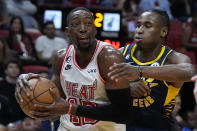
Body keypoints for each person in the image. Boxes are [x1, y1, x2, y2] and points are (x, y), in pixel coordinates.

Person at [15, 7, 138, 131]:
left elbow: (124, 114)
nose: (83, 29)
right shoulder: (60, 57)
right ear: (67, 32)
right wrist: (27, 84)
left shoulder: (109, 57)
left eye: (88, 24)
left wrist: (71, 109)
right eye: (76, 24)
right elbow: (54, 106)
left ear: (94, 30)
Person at [107, 9, 195, 130]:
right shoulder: (120, 54)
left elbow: (189, 71)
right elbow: (99, 82)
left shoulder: (173, 58)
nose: (139, 30)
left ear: (163, 31)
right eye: (138, 25)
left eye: (147, 26)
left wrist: (139, 71)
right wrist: (125, 89)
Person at [0, 59, 26, 125]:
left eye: (16, 67)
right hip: (5, 120)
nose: (14, 69)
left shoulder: (24, 85)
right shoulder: (1, 85)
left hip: (23, 119)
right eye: (11, 67)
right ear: (6, 71)